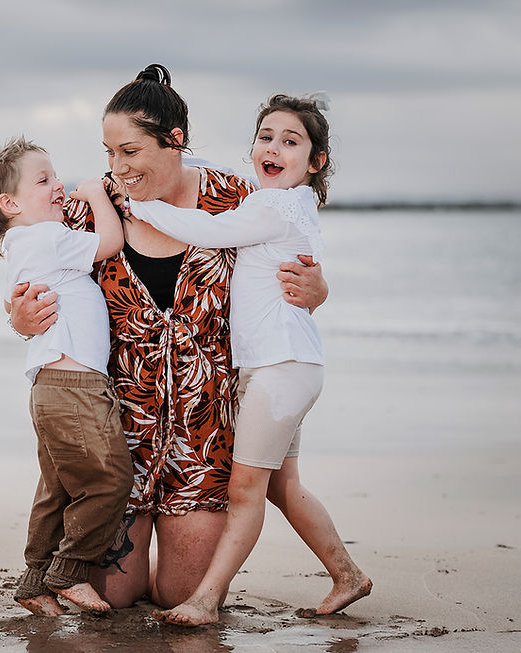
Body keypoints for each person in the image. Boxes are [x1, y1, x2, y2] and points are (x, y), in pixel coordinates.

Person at [9, 65, 329, 610]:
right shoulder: (90, 211)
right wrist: (18, 318)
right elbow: (32, 264)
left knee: (181, 593)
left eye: (130, 152)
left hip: (205, 440)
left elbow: (293, 250)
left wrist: (318, 289)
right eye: (110, 152)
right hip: (120, 444)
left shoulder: (238, 199)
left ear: (174, 141)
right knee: (116, 595)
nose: (117, 167)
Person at [122, 93, 371, 626]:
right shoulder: (279, 201)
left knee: (245, 489)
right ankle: (347, 574)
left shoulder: (275, 205)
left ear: (315, 161)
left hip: (280, 368)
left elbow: (210, 230)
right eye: (265, 137)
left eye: (291, 141)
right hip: (287, 365)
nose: (274, 148)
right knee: (283, 485)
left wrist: (139, 207)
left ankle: (206, 599)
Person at [0, 137, 133, 615]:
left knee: (57, 487)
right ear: (10, 203)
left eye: (55, 176)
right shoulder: (47, 236)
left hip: (49, 385)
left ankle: (35, 579)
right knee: (109, 482)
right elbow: (111, 242)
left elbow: (10, 304)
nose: (58, 186)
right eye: (44, 180)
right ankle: (70, 571)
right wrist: (97, 196)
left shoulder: (20, 245)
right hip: (76, 384)